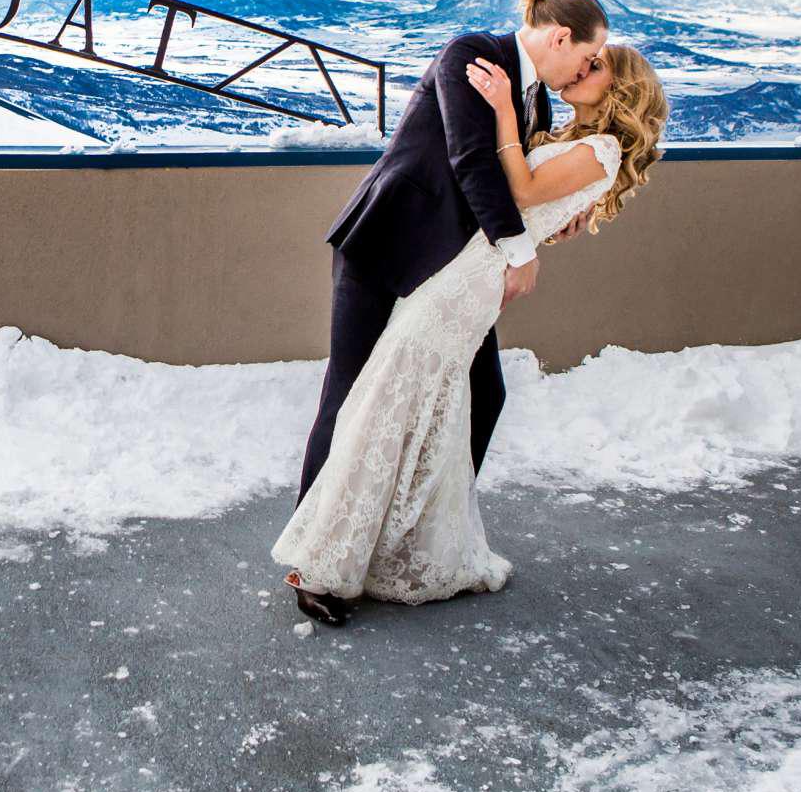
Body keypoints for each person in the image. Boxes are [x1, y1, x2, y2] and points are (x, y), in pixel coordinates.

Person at [272, 40, 667, 623]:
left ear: (620, 89)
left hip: (463, 282)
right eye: (585, 58)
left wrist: (512, 131)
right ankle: (323, 561)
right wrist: (536, 230)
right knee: (375, 402)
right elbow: (496, 176)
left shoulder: (586, 141)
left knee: (414, 405)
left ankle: (383, 546)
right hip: (427, 261)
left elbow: (518, 191)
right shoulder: (505, 84)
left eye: (596, 66)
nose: (582, 70)